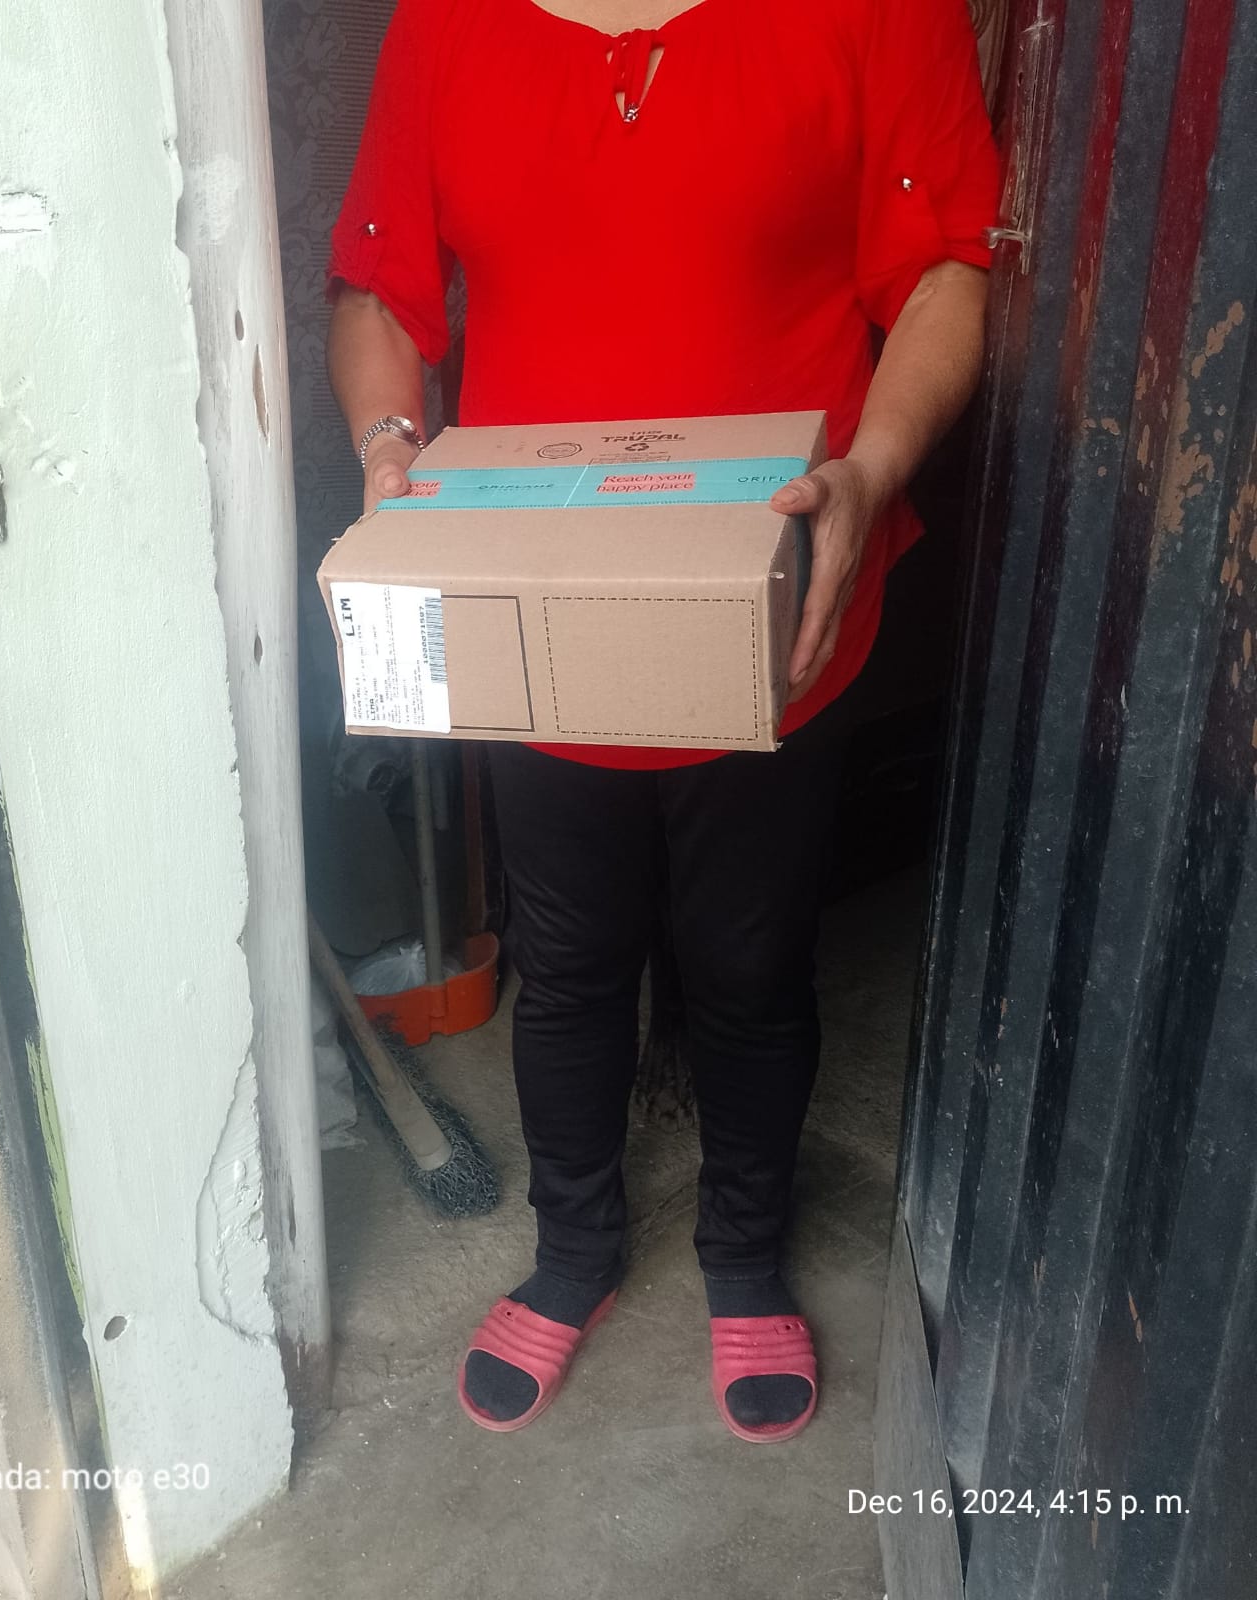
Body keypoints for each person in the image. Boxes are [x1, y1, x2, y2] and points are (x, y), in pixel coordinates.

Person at [326, 0, 1000, 1440]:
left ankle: (745, 1253)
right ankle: (574, 1248)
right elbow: (381, 284)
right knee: (569, 961)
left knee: (750, 962)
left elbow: (945, 264)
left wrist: (875, 471)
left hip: (768, 608)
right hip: (536, 611)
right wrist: (391, 450)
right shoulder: (447, 26)